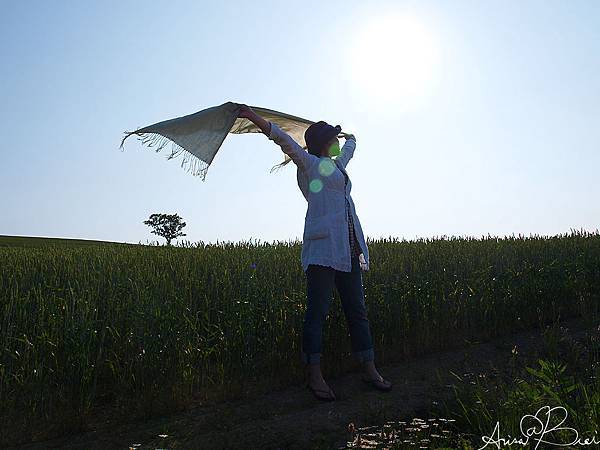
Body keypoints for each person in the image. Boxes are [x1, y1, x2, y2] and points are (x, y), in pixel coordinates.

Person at [237, 105, 392, 401]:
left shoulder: (339, 167)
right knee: (317, 314)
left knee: (358, 313)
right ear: (323, 143)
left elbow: (352, 146)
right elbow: (282, 138)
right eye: (332, 137)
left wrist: (350, 136)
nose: (337, 142)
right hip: (322, 250)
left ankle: (369, 368)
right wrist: (252, 116)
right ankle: (314, 375)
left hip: (348, 250)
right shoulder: (308, 163)